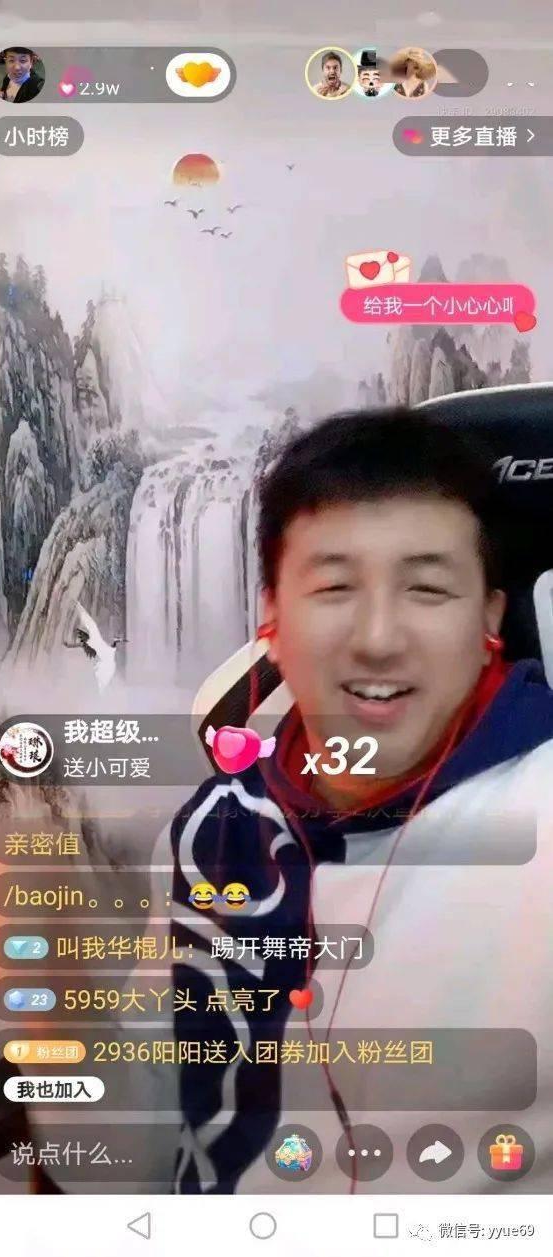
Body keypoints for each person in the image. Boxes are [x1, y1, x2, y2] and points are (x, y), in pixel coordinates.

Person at [170, 408, 553, 1193]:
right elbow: (158, 1110)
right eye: (335, 586)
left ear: (490, 617)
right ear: (272, 618)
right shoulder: (217, 826)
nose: (378, 638)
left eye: (427, 588)